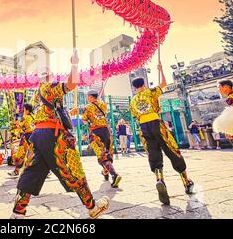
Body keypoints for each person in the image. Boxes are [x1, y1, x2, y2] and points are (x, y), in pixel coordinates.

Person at [11, 50, 110, 219]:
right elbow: (71, 84)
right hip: (54, 136)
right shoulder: (49, 87)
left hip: (37, 136)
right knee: (73, 169)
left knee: (31, 172)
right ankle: (92, 207)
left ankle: (18, 212)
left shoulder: (36, 95)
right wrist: (74, 64)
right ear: (48, 75)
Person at [129, 63, 194, 206]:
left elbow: (135, 116)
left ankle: (159, 179)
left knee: (153, 153)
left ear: (134, 87)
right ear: (144, 84)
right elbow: (163, 84)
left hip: (143, 127)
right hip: (156, 122)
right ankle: (186, 181)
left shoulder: (133, 101)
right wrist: (161, 70)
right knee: (171, 149)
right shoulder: (151, 91)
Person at [82, 90, 122, 188]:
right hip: (106, 130)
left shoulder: (87, 107)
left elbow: (85, 121)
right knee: (107, 152)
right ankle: (105, 173)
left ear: (91, 97)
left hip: (96, 132)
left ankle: (114, 174)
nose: (87, 98)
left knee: (101, 155)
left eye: (88, 96)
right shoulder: (103, 105)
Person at [8, 104, 35, 177]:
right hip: (34, 136)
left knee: (20, 154)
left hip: (26, 137)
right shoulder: (33, 116)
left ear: (27, 110)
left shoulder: (25, 117)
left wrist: (17, 123)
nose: (23, 111)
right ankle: (46, 171)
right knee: (36, 153)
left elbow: (19, 126)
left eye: (24, 109)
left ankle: (16, 171)